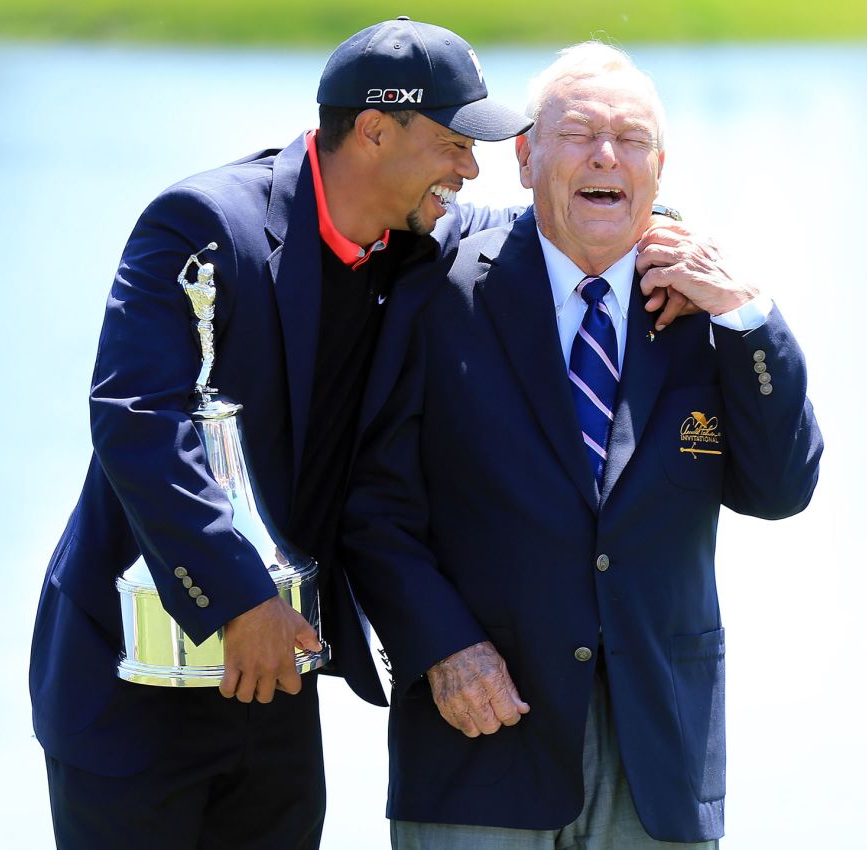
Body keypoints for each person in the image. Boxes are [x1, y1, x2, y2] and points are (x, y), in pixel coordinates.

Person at [27, 17, 537, 850]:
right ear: (374, 131)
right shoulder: (200, 224)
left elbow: (504, 229)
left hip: (273, 685)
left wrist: (645, 219)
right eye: (453, 142)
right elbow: (136, 415)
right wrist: (240, 598)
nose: (468, 168)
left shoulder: (409, 235)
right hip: (129, 683)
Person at [341, 41, 825, 849]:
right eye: (579, 135)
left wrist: (748, 313)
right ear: (526, 157)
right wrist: (442, 649)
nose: (607, 155)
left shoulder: (708, 313)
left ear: (659, 169)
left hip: (659, 758)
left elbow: (780, 489)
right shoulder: (436, 288)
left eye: (631, 139)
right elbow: (374, 508)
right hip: (479, 739)